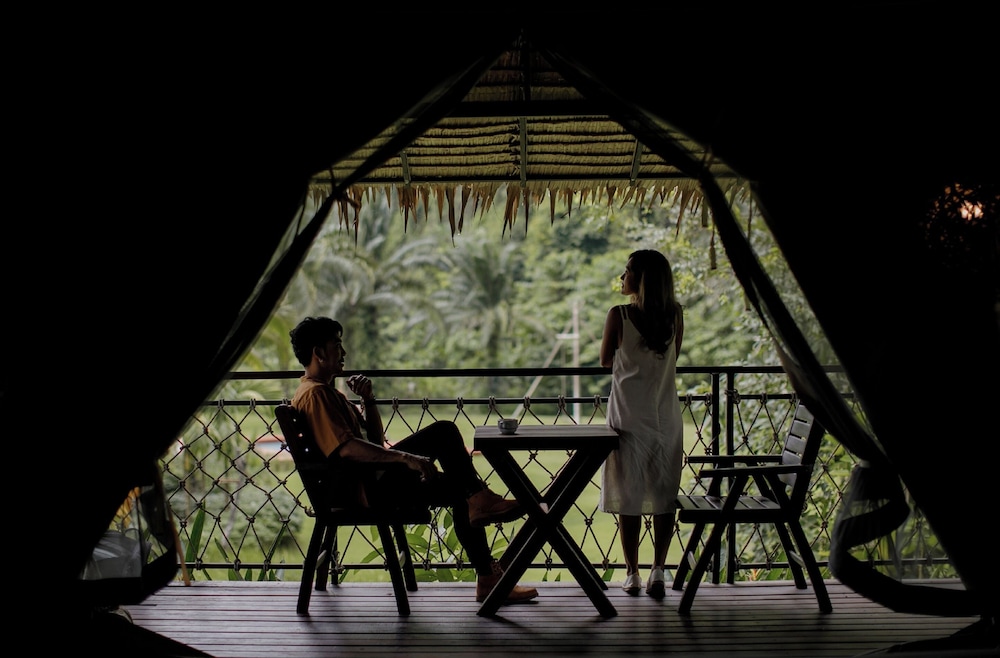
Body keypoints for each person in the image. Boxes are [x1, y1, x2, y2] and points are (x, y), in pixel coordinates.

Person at [288, 316, 538, 604]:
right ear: (319, 353)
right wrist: (407, 458)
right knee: (444, 432)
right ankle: (481, 506)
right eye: (337, 345)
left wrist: (368, 400)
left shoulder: (325, 393)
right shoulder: (317, 395)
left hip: (371, 483)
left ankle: (486, 566)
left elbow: (374, 442)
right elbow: (347, 449)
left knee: (463, 492)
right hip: (369, 490)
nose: (343, 352)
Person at [599, 249, 685, 599]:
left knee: (629, 495)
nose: (623, 277)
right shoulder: (674, 315)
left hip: (627, 417)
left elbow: (605, 360)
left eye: (628, 271)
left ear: (642, 279)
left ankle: (632, 572)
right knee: (664, 494)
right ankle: (658, 570)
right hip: (665, 416)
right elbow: (674, 356)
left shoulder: (619, 315)